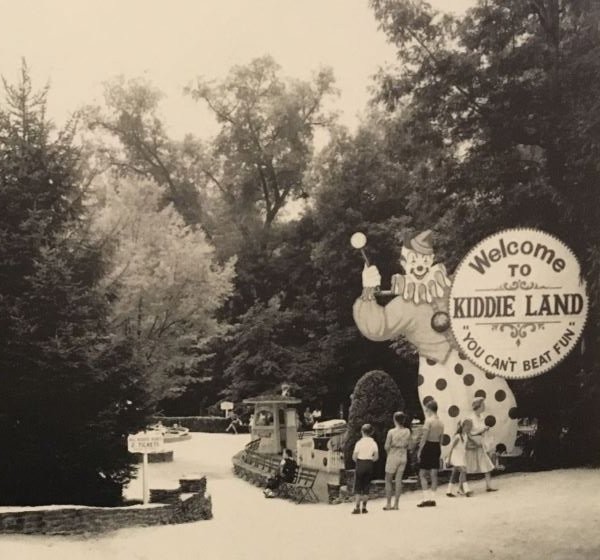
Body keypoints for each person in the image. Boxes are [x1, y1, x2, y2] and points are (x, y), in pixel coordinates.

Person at [417, 399, 444, 507]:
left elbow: (424, 437)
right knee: (434, 474)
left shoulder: (428, 421)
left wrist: (420, 450)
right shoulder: (441, 422)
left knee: (422, 474)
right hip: (436, 446)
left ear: (429, 409)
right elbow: (441, 439)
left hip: (428, 446)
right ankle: (433, 498)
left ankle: (426, 498)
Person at [466, 397, 497, 492]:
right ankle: (462, 487)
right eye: (483, 405)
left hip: (481, 444)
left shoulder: (482, 417)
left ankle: (488, 486)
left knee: (486, 464)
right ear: (478, 406)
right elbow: (468, 432)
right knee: (466, 466)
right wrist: (480, 431)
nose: (484, 407)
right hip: (473, 445)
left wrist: (484, 430)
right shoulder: (470, 418)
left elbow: (483, 431)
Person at [383, 411, 411, 510]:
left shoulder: (391, 432)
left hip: (393, 455)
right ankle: (396, 504)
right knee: (398, 480)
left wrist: (389, 453)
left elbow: (386, 446)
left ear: (394, 419)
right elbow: (409, 445)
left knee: (388, 480)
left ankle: (388, 504)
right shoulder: (407, 431)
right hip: (403, 456)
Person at [351, 424, 379, 514]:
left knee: (358, 487)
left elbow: (354, 457)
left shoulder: (359, 443)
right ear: (371, 432)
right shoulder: (374, 443)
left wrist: (358, 460)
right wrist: (370, 460)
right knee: (366, 486)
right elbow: (376, 457)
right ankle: (364, 507)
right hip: (369, 464)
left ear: (362, 432)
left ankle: (357, 507)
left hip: (360, 463)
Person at [446, 419, 474, 498]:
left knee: (454, 473)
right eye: (468, 426)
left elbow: (465, 446)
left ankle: (449, 491)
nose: (469, 428)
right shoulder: (457, 436)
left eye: (470, 427)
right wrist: (449, 459)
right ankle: (466, 490)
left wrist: (475, 446)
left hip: (461, 457)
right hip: (455, 457)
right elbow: (451, 448)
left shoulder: (465, 436)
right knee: (463, 471)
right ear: (463, 426)